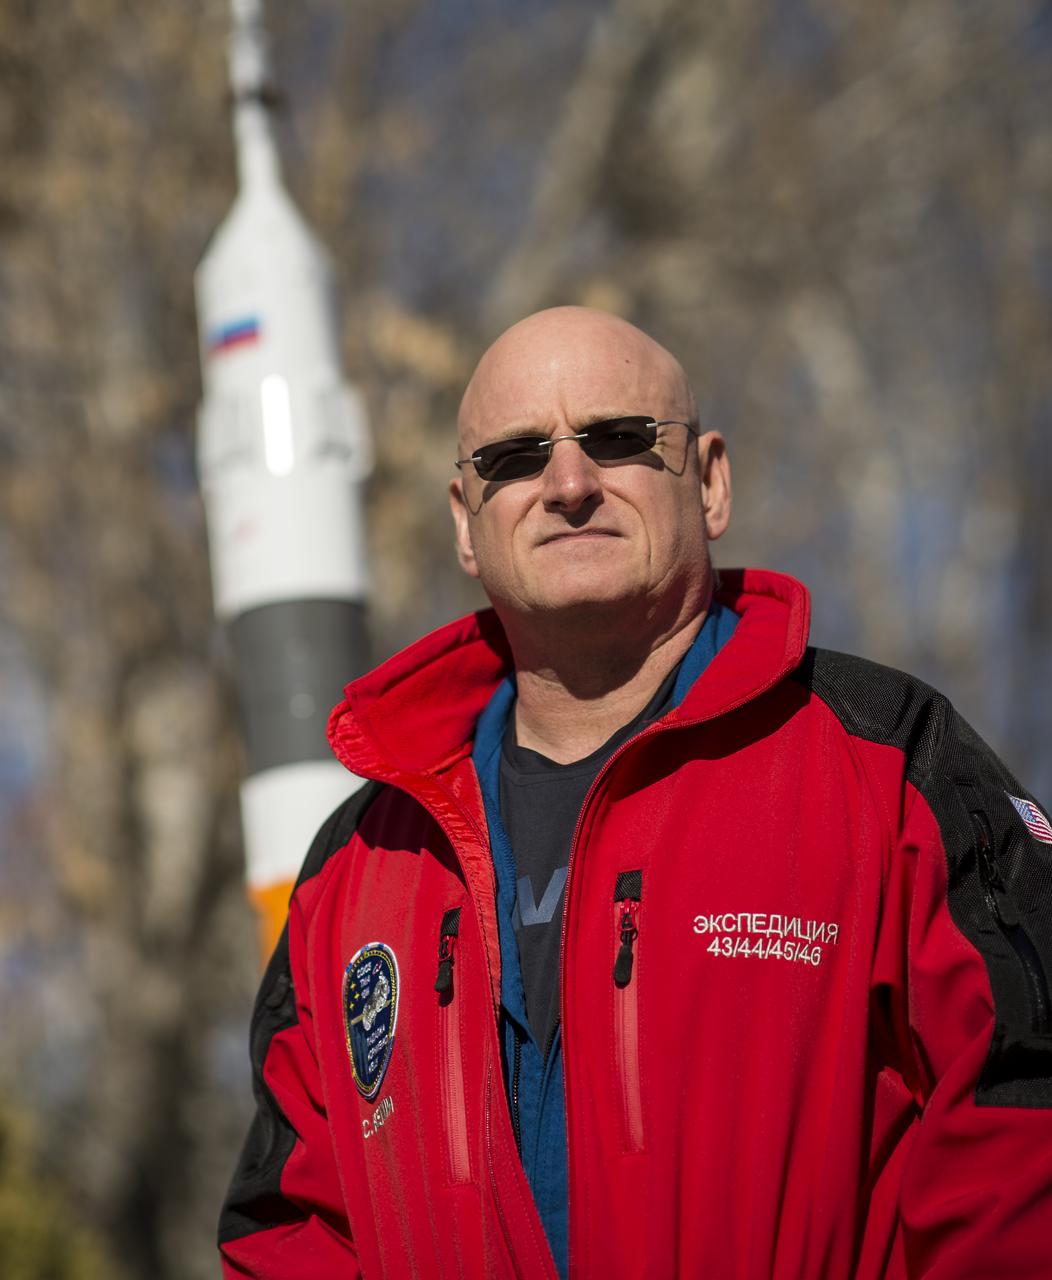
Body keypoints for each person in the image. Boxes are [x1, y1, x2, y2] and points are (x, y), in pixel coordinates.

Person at [218, 307, 1052, 1279]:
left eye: (617, 440)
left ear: (707, 480)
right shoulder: (359, 867)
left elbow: (1019, 1128)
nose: (567, 484)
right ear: (463, 517)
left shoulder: (883, 764)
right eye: (516, 457)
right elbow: (288, 1233)